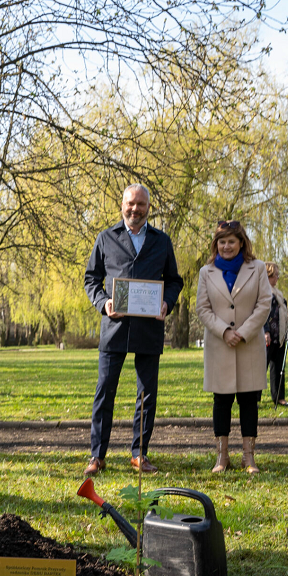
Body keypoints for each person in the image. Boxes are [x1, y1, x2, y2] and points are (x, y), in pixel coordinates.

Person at [82, 185, 183, 476]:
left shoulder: (161, 241)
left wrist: (166, 302)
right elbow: (91, 279)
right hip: (114, 327)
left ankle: (139, 454)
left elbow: (175, 281)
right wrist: (103, 303)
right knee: (105, 392)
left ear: (148, 207)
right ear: (122, 205)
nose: (135, 209)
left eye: (140, 204)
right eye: (130, 203)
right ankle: (97, 456)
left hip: (149, 328)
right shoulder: (106, 238)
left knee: (146, 395)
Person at [195, 222, 272, 473]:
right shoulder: (206, 272)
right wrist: (224, 331)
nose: (226, 246)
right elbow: (202, 308)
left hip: (249, 344)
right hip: (220, 345)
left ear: (241, 243)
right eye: (222, 242)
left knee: (249, 400)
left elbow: (264, 304)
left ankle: (249, 457)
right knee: (222, 400)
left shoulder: (258, 268)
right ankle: (222, 457)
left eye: (231, 241)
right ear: (215, 245)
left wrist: (243, 332)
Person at [263, 262, 288, 406]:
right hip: (267, 335)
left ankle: (279, 397)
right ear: (268, 275)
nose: (277, 278)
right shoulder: (262, 291)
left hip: (279, 336)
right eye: (275, 275)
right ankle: (254, 398)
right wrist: (265, 330)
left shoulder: (277, 292)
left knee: (279, 368)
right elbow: (261, 313)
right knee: (261, 368)